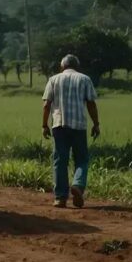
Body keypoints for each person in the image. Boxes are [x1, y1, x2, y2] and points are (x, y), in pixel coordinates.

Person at [42, 54, 100, 208]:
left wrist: (44, 125)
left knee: (60, 161)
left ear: (62, 66)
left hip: (59, 126)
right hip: (79, 126)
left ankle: (60, 198)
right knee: (81, 159)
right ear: (77, 66)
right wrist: (96, 124)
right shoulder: (84, 79)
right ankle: (78, 185)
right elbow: (91, 104)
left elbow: (47, 105)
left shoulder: (53, 80)